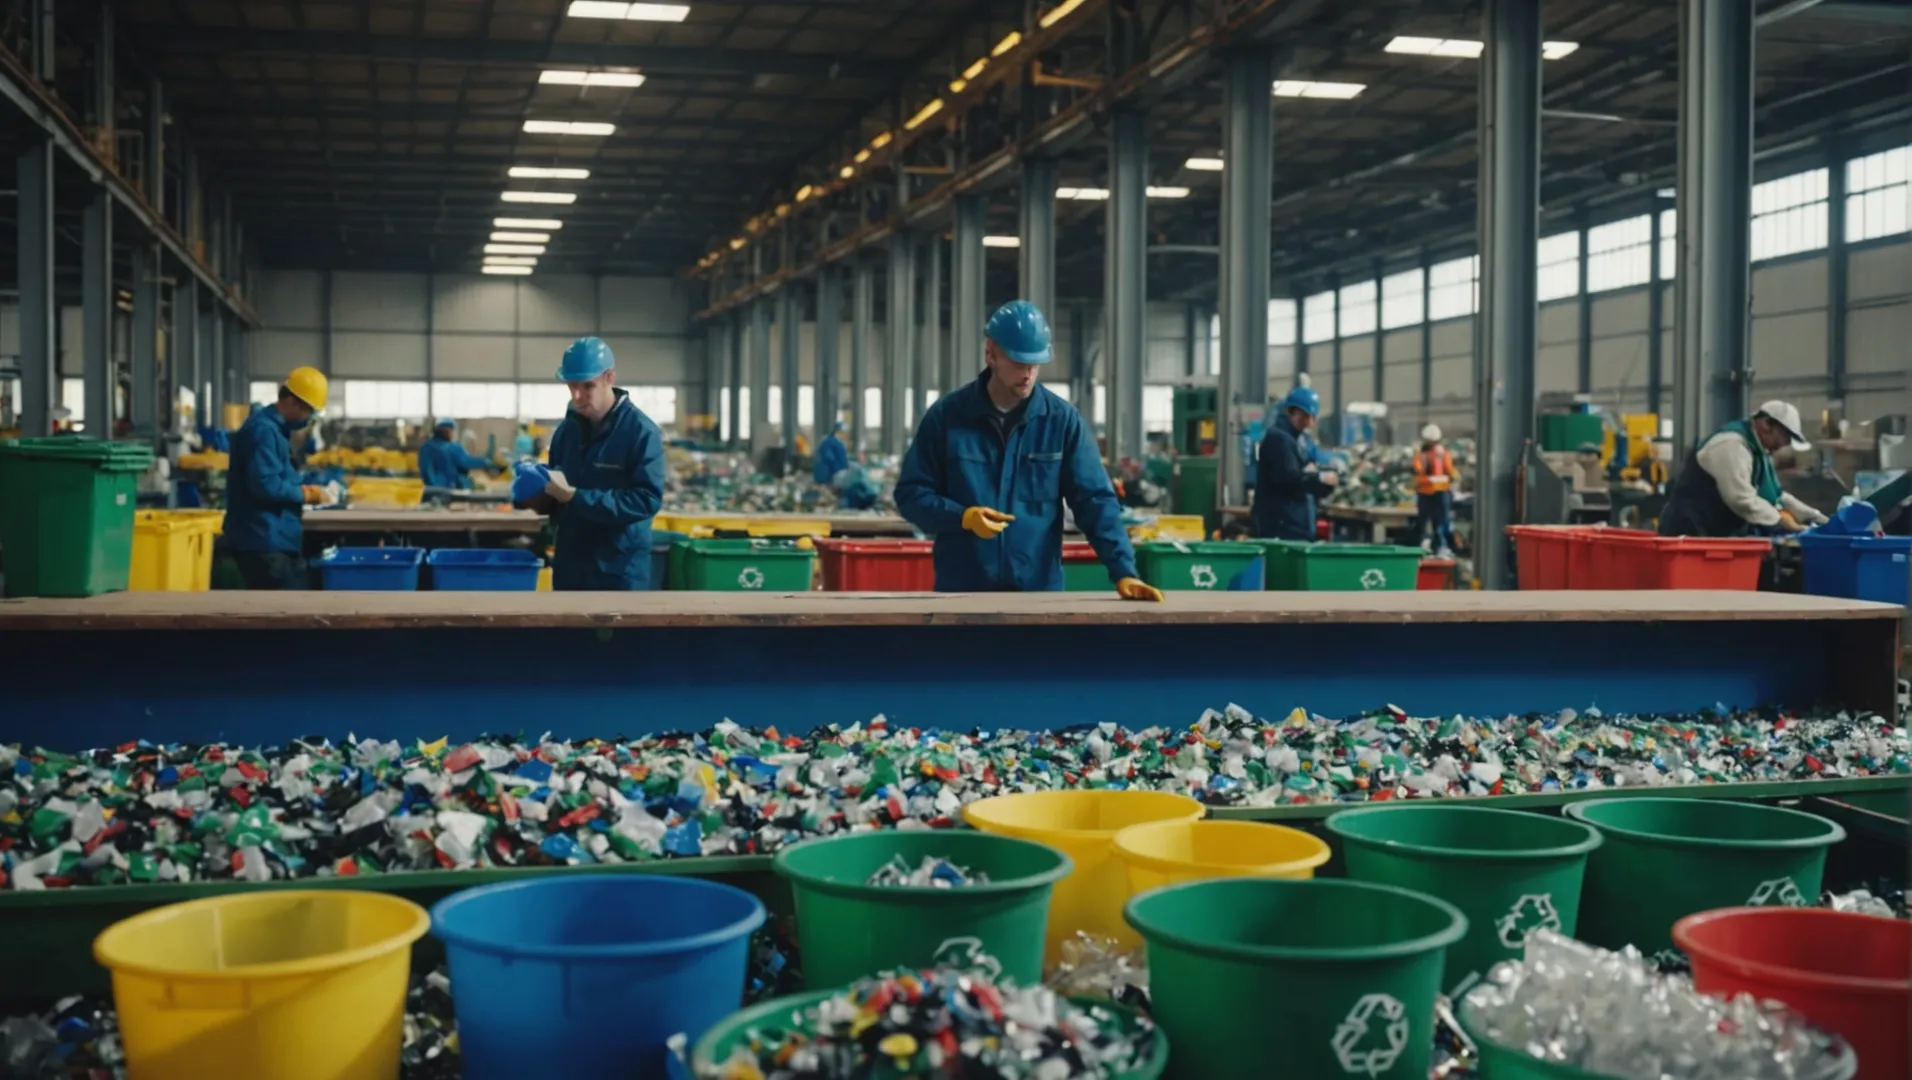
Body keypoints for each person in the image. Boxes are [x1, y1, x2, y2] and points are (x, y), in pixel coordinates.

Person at [895, 300, 1163, 601]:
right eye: (1019, 363)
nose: (1028, 374)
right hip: (961, 593)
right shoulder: (947, 417)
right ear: (991, 354)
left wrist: (1123, 570)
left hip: (1037, 595)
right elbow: (910, 494)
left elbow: (1094, 500)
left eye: (1035, 365)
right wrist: (962, 517)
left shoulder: (1061, 422)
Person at [515, 336, 667, 590]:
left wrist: (576, 497)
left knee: (619, 631)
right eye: (571, 386)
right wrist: (536, 491)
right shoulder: (566, 432)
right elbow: (558, 496)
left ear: (609, 378)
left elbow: (646, 500)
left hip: (618, 570)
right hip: (571, 565)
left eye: (587, 386)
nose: (577, 396)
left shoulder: (641, 432)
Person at [224, 366, 340, 589]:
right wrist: (306, 494)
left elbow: (280, 476)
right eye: (309, 411)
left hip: (272, 535)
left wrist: (310, 486)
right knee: (283, 610)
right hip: (262, 538)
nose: (309, 419)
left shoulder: (274, 430)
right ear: (292, 402)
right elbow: (265, 485)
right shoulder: (263, 431)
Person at [1659, 400, 1829, 537]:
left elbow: (1776, 496)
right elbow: (1742, 500)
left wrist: (1815, 517)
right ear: (1766, 424)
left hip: (1713, 534)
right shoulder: (1732, 445)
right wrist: (1782, 522)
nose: (1784, 445)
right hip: (1689, 533)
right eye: (1785, 436)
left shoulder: (1758, 451)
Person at [1253, 386, 1338, 540]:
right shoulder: (1279, 439)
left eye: (1312, 417)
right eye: (1306, 416)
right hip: (1282, 526)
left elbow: (1309, 468)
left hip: (1296, 524)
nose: (1309, 423)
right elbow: (1290, 478)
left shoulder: (1298, 440)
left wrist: (1321, 477)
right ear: (1293, 412)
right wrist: (1318, 478)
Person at [1413, 424, 1457, 557]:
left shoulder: (1441, 454)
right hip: (1430, 492)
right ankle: (1429, 545)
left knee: (1440, 522)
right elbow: (1418, 473)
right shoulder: (1423, 456)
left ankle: (1440, 546)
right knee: (1427, 522)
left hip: (1437, 492)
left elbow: (1451, 473)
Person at [418, 418, 496, 490]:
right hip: (448, 491)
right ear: (448, 430)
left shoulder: (424, 447)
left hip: (429, 491)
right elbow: (466, 462)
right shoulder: (451, 447)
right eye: (452, 431)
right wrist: (486, 462)